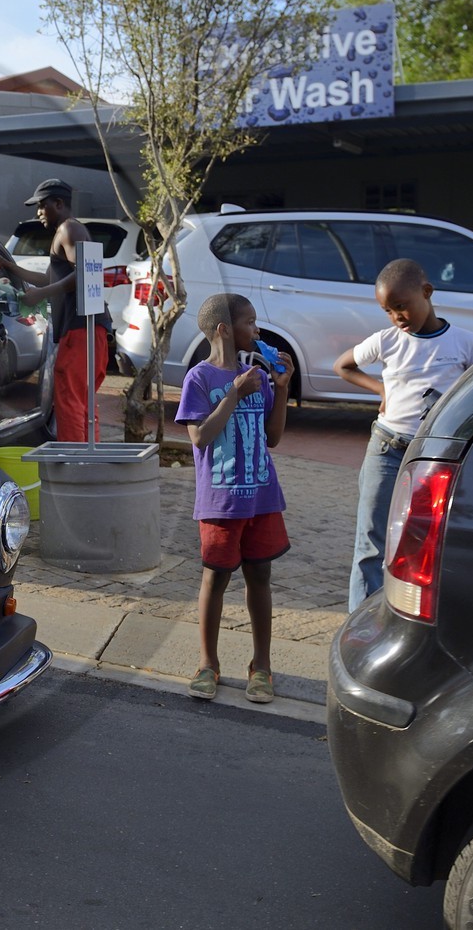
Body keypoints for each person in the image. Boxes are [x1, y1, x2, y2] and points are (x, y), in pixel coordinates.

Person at [335, 258, 473, 612]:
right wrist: (381, 390)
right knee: (371, 540)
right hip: (386, 449)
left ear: (427, 293)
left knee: (425, 543)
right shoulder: (386, 341)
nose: (396, 317)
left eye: (401, 307)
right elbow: (343, 365)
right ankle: (360, 622)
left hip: (434, 457)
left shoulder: (465, 342)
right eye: (388, 311)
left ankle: (417, 614)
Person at [175, 293, 294, 704]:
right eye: (250, 322)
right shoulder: (200, 378)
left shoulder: (257, 376)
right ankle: (208, 664)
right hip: (221, 501)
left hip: (262, 497)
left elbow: (274, 438)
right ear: (224, 329)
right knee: (217, 577)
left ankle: (261, 666)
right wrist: (233, 395)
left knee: (260, 576)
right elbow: (199, 436)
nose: (256, 330)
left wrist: (281, 386)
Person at [0, 178, 112, 442]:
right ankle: (90, 462)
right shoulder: (66, 232)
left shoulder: (69, 229)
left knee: (69, 396)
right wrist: (9, 267)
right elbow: (50, 280)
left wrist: (39, 296)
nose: (38, 213)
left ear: (59, 203)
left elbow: (81, 275)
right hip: (87, 329)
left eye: (42, 206)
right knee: (83, 400)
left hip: (82, 329)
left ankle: (75, 468)